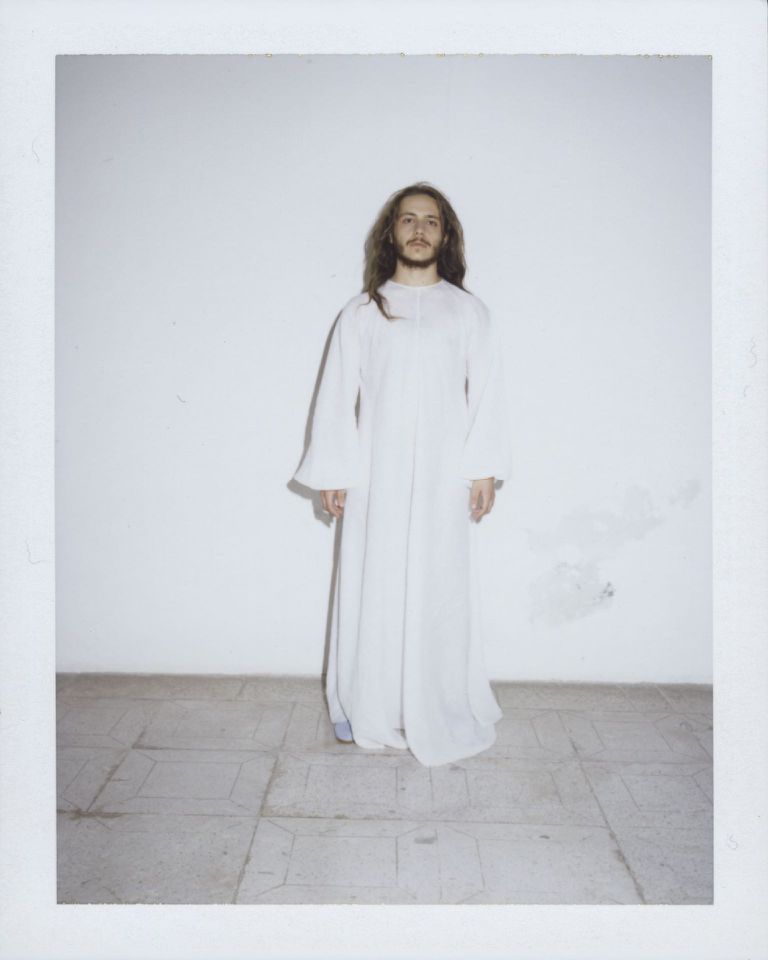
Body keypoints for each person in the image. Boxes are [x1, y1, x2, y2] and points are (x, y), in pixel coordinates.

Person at [292, 182, 514, 767]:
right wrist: (334, 471)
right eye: (408, 219)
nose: (419, 230)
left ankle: (436, 701)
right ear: (390, 232)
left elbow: (487, 396)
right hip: (376, 476)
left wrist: (483, 470)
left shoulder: (468, 312)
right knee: (373, 581)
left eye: (431, 221)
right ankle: (361, 702)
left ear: (446, 235)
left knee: (440, 587)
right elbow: (337, 396)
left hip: (445, 477)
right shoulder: (363, 311)